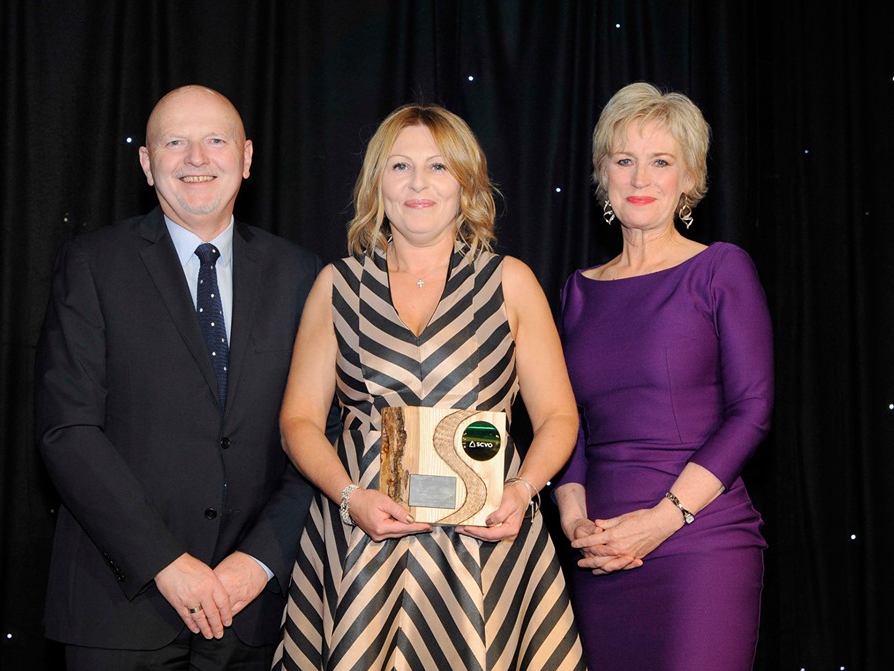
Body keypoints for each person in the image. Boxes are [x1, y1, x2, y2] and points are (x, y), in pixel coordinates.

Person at [271, 103, 585, 670]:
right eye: (400, 167)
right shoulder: (337, 286)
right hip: (363, 540)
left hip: (488, 541)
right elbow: (298, 422)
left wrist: (523, 490)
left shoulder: (511, 282)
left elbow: (559, 416)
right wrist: (350, 498)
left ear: (466, 184)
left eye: (439, 167)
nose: (419, 183)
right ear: (377, 184)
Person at [34, 85, 322, 670]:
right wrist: (167, 563)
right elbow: (68, 432)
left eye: (215, 140)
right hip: (118, 608)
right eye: (176, 143)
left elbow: (324, 432)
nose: (197, 158)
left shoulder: (302, 274)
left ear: (245, 157)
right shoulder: (92, 264)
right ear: (146, 163)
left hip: (255, 615)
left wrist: (259, 562)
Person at [553, 81, 774, 670]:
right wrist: (574, 519)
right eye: (624, 161)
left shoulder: (720, 269)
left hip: (701, 547)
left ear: (689, 178)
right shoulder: (577, 292)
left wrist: (662, 520)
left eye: (661, 162)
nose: (641, 179)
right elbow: (565, 422)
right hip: (602, 554)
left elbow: (753, 409)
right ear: (604, 174)